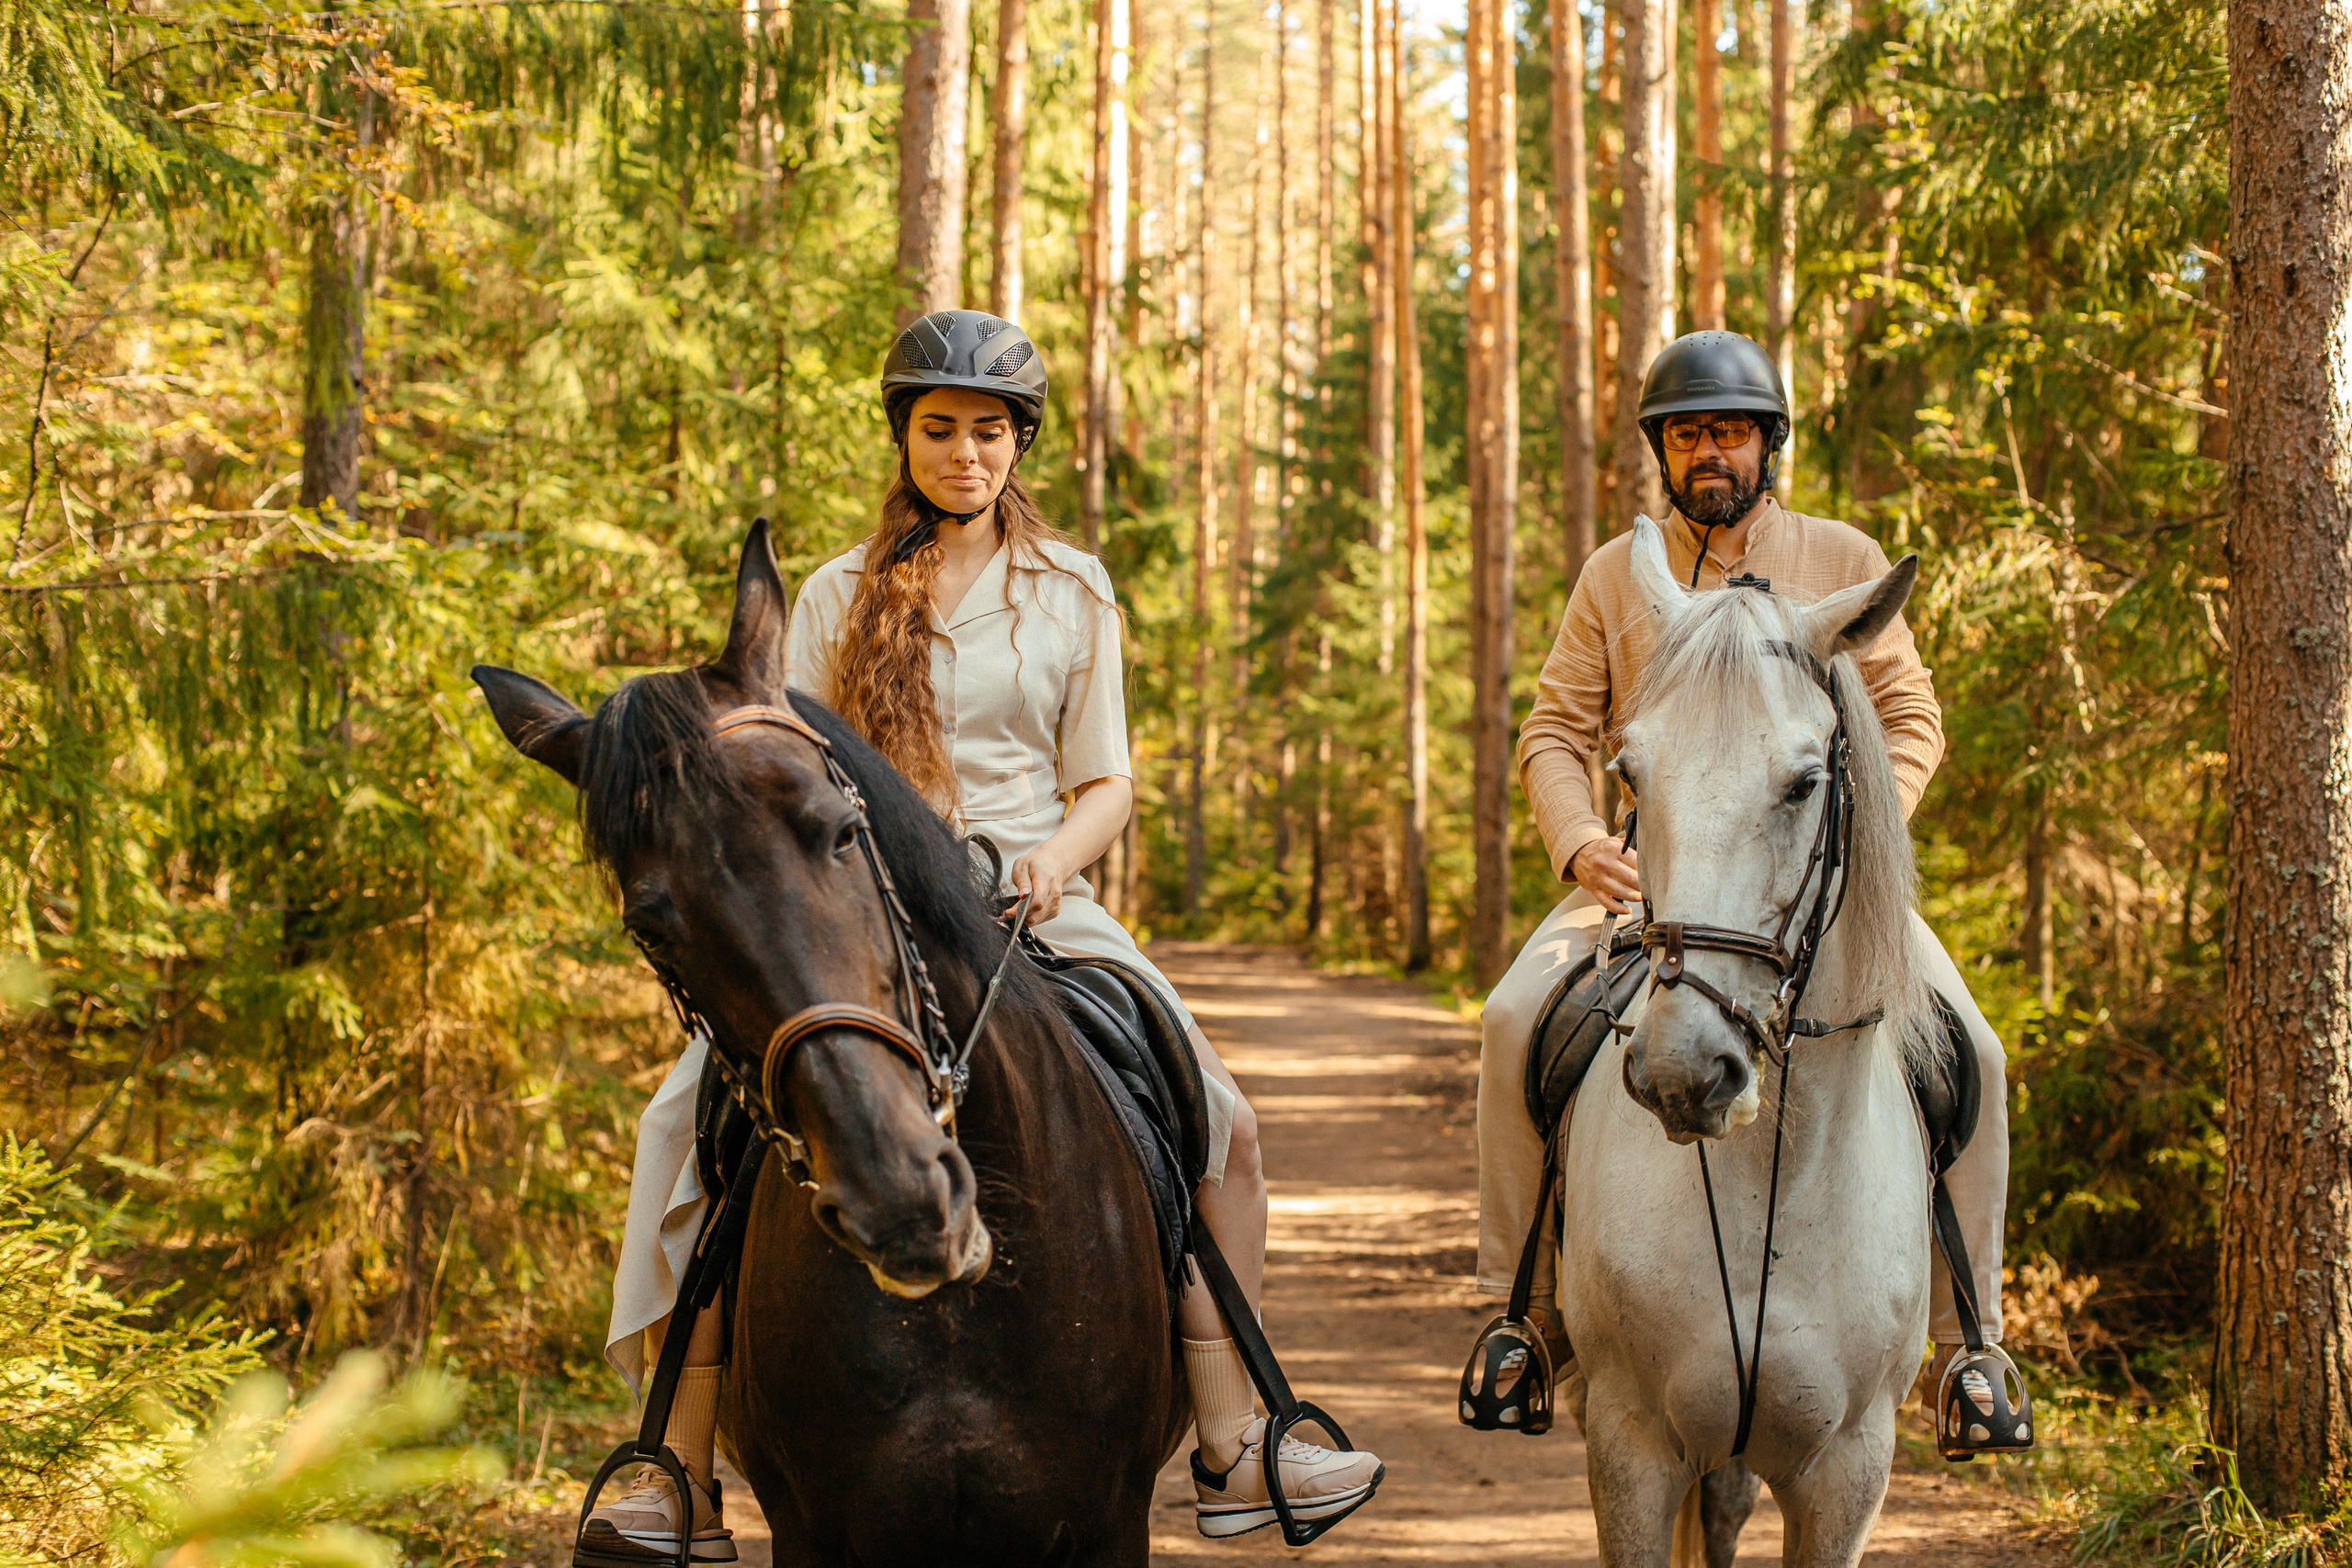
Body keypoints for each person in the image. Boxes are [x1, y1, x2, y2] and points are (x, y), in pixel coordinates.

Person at [581, 310, 1382, 1564]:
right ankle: (671, 1463)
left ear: (1020, 447)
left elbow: (1104, 781)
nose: (965, 452)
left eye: (989, 432)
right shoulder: (838, 589)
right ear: (905, 437)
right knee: (681, 1121)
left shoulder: (1073, 590)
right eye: (941, 427)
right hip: (864, 908)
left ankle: (1237, 1430)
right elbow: (792, 780)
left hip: (1033, 896)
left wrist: (1052, 862)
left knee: (1221, 1111)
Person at [1468, 329, 2032, 1458]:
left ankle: (1972, 1343)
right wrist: (1581, 840)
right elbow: (1555, 729)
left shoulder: (1837, 557)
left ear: (1768, 443)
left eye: (1727, 431)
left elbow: (1911, 719)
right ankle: (1518, 1315)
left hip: (1817, 881)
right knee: (1511, 1017)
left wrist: (1855, 845)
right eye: (1686, 435)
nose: (1707, 453)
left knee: (1971, 1045)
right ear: (1662, 453)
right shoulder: (1614, 576)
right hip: (1649, 882)